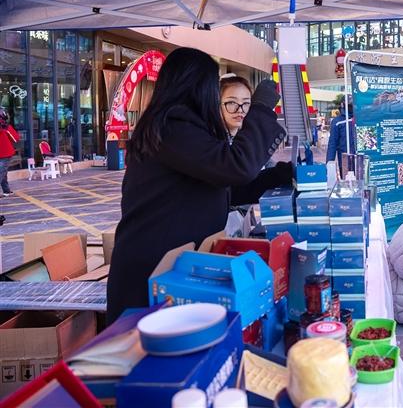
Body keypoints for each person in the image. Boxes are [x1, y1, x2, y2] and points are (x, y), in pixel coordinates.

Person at [107, 48, 285, 324]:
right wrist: (260, 110)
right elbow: (235, 167)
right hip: (153, 270)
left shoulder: (179, 126)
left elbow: (223, 187)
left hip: (168, 265)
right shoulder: (173, 126)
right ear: (197, 87)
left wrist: (276, 177)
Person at [219, 74, 293, 205]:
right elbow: (233, 184)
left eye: (246, 103)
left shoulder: (242, 137)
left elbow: (241, 189)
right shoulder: (210, 142)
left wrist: (280, 174)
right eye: (232, 102)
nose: (240, 110)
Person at [326, 101, 355, 172]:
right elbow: (332, 144)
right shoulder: (337, 122)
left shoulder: (361, 119)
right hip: (345, 161)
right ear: (342, 104)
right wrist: (329, 164)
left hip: (362, 160)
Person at [0, 108, 20, 197]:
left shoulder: (5, 127)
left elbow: (15, 139)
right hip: (6, 153)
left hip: (5, 154)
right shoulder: (6, 127)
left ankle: (6, 190)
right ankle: (6, 190)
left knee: (2, 172)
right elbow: (16, 139)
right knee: (2, 172)